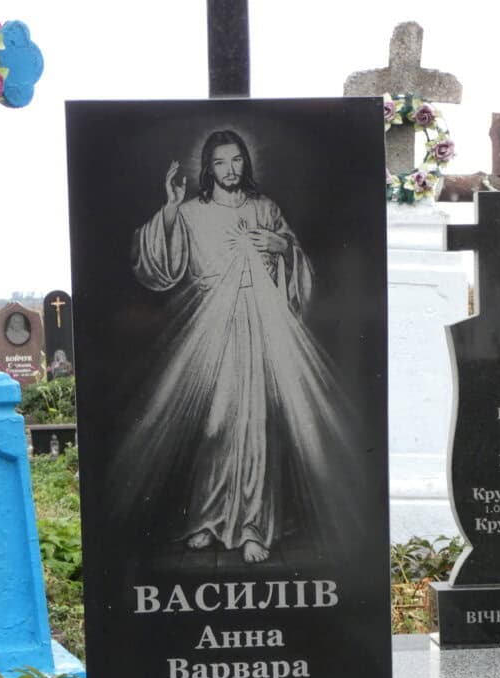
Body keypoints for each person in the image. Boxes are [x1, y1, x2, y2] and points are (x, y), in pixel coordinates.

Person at [123, 129, 355, 563]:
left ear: (245, 162)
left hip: (263, 326)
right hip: (212, 328)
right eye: (220, 162)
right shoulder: (190, 212)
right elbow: (158, 266)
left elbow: (300, 270)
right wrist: (170, 207)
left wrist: (281, 246)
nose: (230, 170)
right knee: (215, 425)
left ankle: (254, 527)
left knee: (259, 424)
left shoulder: (265, 209)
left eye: (236, 160)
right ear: (208, 169)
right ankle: (208, 519)